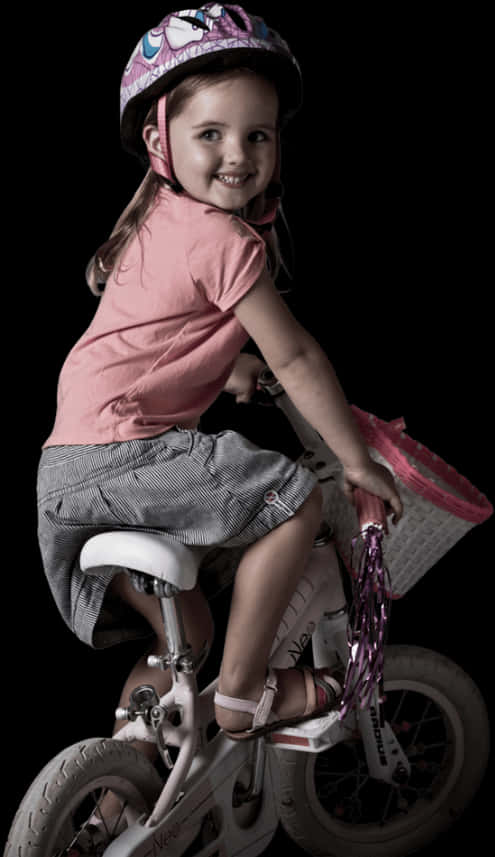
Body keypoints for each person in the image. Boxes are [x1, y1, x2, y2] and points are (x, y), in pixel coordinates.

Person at [37, 2, 403, 772]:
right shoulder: (225, 238)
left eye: (257, 136)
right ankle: (243, 691)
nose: (237, 155)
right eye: (211, 134)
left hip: (68, 471)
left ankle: (117, 786)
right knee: (294, 500)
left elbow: (153, 336)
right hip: (127, 456)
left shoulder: (159, 218)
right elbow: (298, 356)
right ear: (158, 138)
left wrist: (231, 368)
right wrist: (356, 460)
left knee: (183, 636)